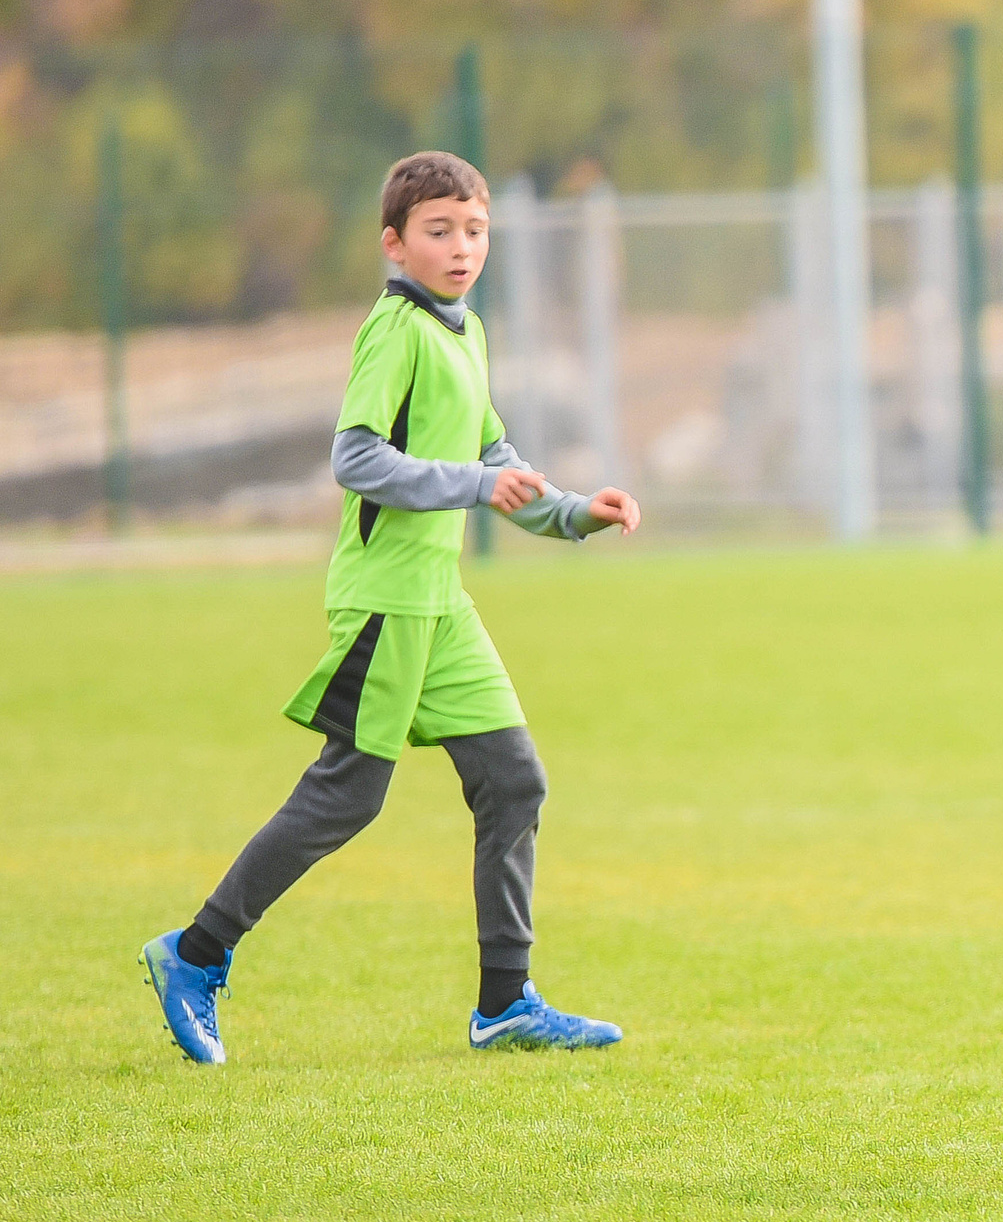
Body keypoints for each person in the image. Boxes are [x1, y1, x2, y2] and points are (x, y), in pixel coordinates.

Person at [140, 151, 640, 1064]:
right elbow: (356, 457)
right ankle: (194, 952)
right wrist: (470, 484)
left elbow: (499, 459)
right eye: (439, 230)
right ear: (395, 243)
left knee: (515, 781)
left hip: (440, 606)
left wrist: (574, 512)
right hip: (385, 602)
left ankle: (504, 1003)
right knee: (349, 795)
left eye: (475, 229)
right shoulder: (394, 330)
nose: (461, 247)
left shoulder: (466, 332)